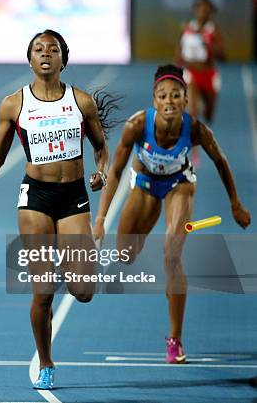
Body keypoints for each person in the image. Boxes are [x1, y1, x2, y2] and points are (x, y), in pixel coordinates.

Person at [0, 29, 120, 390]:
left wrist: (101, 172)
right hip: (35, 198)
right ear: (29, 60)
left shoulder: (81, 102)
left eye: (52, 49)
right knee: (43, 290)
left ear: (62, 59)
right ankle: (46, 361)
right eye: (38, 49)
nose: (45, 54)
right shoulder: (14, 104)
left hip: (73, 197)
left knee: (83, 291)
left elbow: (102, 149)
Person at [93, 64, 251, 364]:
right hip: (144, 184)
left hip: (180, 185)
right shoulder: (137, 125)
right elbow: (114, 171)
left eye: (175, 95)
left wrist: (235, 204)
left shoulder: (195, 129)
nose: (169, 101)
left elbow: (221, 161)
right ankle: (157, 250)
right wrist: (101, 219)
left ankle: (175, 340)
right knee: (126, 255)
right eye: (163, 96)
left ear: (185, 99)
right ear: (154, 100)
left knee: (171, 256)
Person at [176, 0, 225, 165]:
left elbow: (223, 56)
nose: (202, 13)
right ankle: (193, 150)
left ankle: (204, 104)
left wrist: (207, 43)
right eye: (199, 9)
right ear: (195, 11)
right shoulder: (187, 28)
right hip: (191, 74)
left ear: (210, 12)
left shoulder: (213, 30)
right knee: (192, 111)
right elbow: (179, 54)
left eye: (206, 10)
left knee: (209, 115)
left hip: (209, 75)